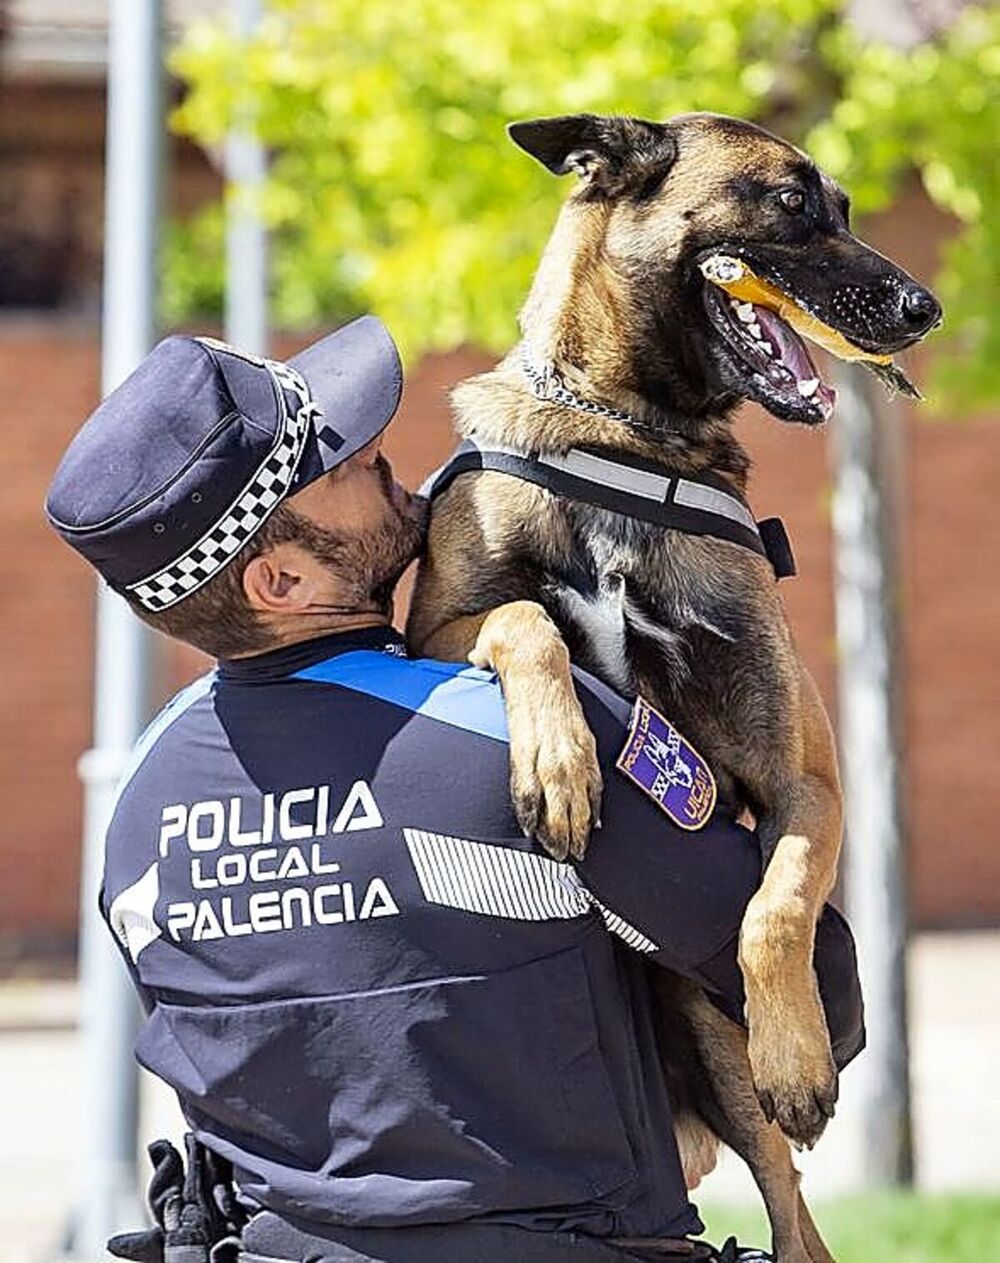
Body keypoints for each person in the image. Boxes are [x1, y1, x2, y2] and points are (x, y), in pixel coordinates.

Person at [46, 318, 864, 1263]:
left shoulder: (141, 803)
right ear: (281, 577)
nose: (380, 455)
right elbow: (821, 999)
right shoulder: (519, 733)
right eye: (336, 462)